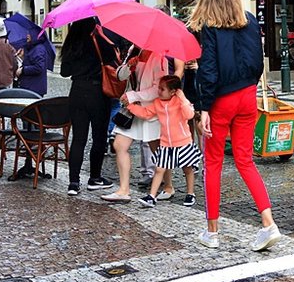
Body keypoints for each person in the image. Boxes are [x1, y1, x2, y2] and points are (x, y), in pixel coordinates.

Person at [190, 0, 281, 252]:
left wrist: (204, 107)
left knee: (213, 162)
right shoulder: (250, 21)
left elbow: (209, 70)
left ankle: (212, 231)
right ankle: (268, 223)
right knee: (245, 160)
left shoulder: (210, 27)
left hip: (222, 100)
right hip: (247, 96)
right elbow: (258, 61)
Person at [100, 46, 177, 204]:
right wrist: (129, 66)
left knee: (158, 150)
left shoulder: (159, 57)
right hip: (132, 111)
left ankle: (168, 186)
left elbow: (159, 89)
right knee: (119, 144)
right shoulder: (133, 50)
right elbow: (120, 76)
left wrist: (133, 95)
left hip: (150, 111)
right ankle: (123, 190)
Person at [59, 17, 116, 196]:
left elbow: (64, 72)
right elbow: (112, 61)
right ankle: (94, 177)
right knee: (99, 137)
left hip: (76, 92)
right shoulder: (99, 39)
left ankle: (73, 183)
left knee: (78, 138)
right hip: (97, 92)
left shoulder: (70, 44)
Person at [125, 75, 201, 208]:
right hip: (166, 143)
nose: (158, 91)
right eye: (159, 88)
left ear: (173, 91)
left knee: (188, 169)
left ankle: (190, 193)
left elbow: (189, 115)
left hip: (183, 142)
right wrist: (130, 107)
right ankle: (152, 196)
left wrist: (182, 98)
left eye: (162, 89)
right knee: (159, 169)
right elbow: (146, 113)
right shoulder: (158, 103)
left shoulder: (179, 101)